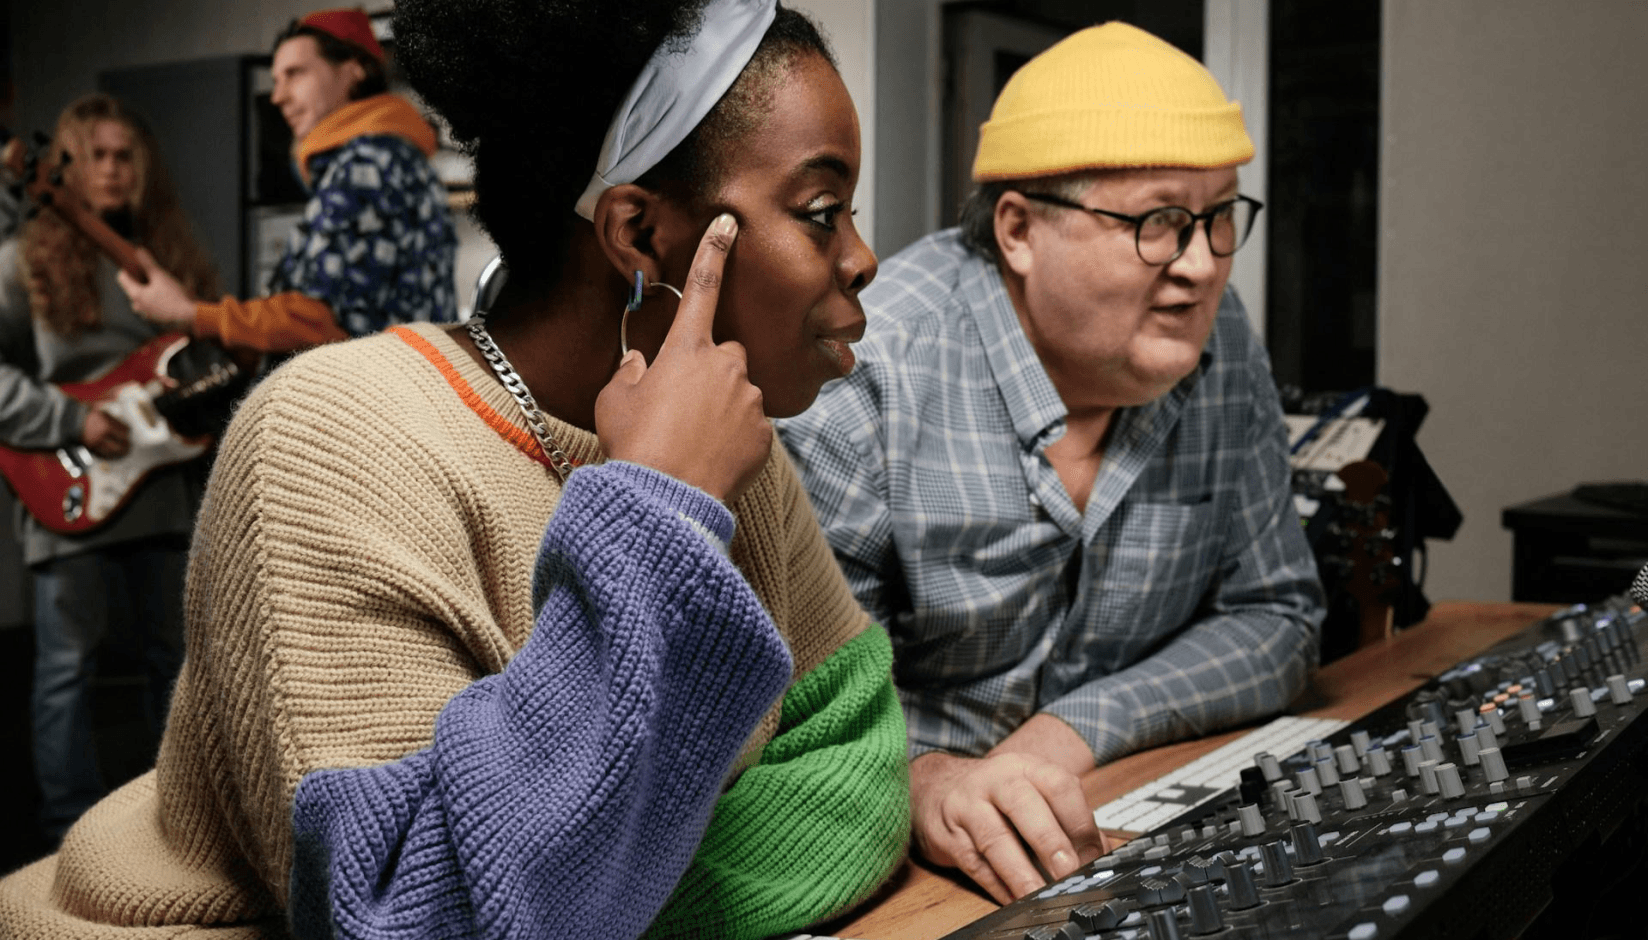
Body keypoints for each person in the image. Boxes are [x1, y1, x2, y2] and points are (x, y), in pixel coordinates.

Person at [0, 1, 908, 937]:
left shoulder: (731, 452)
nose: (864, 257)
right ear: (638, 237)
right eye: (821, 212)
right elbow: (407, 917)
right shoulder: (331, 440)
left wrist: (599, 890)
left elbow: (863, 756)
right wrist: (656, 510)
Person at [778, 21, 1326, 905]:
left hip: (1119, 814)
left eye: (1221, 218)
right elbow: (799, 723)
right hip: (906, 871)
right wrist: (927, 783)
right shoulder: (864, 378)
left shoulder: (1220, 342)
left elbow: (1279, 613)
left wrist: (1071, 732)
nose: (1199, 267)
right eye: (1158, 222)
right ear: (1020, 229)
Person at [0, 94, 219, 844]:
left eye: (126, 154)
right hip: (65, 482)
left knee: (177, 664)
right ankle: (67, 832)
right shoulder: (22, 262)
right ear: (68, 163)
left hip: (161, 490)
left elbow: (209, 365)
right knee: (68, 666)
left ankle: (171, 823)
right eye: (98, 154)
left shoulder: (168, 263)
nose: (115, 168)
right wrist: (72, 420)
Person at [118, 6, 458, 350]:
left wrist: (191, 314)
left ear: (354, 70)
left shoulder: (365, 165)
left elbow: (316, 321)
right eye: (277, 79)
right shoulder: (397, 156)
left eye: (295, 74)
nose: (278, 97)